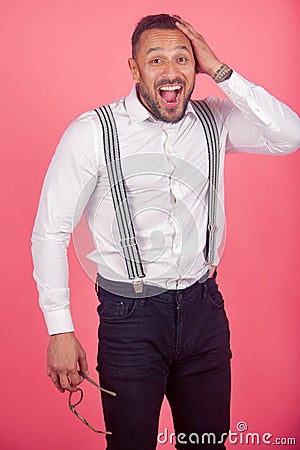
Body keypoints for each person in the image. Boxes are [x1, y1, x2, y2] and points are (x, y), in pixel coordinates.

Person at [31, 13, 300, 450]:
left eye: (183, 58)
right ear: (135, 69)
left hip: (204, 309)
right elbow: (50, 233)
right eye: (156, 60)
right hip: (129, 319)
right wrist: (59, 329)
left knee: (207, 443)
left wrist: (221, 70)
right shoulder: (93, 133)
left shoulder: (215, 120)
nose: (171, 71)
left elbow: (290, 135)